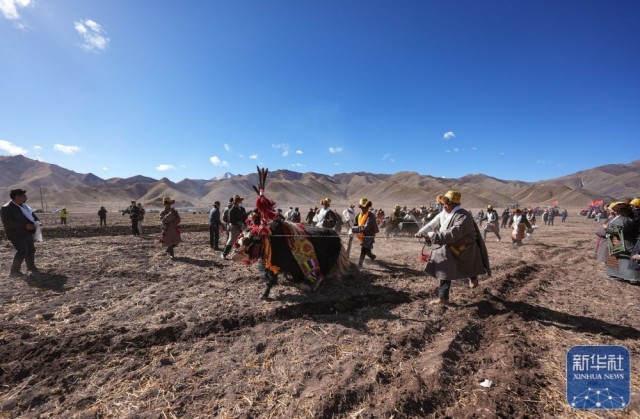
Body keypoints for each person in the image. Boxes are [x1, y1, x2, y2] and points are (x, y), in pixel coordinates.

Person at [415, 191, 490, 305]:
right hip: (449, 246)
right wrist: (421, 232)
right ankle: (443, 298)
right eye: (443, 203)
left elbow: (453, 233)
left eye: (447, 203)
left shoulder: (463, 216)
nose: (444, 206)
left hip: (465, 248)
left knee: (466, 265)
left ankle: (473, 278)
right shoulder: (443, 213)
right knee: (445, 269)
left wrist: (433, 236)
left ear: (454, 204)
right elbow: (432, 224)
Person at [1, 189, 41, 277]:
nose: (26, 198)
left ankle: (31, 267)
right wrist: (25, 225)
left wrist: (37, 222)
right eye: (24, 196)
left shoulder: (25, 207)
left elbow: (33, 217)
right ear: (17, 197)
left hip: (27, 233)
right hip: (15, 234)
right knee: (22, 251)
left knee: (31, 250)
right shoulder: (6, 208)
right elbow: (8, 223)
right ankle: (14, 271)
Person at [603, 202, 639, 283]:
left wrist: (607, 228)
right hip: (621, 242)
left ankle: (623, 276)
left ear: (618, 210)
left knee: (623, 259)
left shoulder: (622, 219)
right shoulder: (626, 218)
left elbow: (619, 231)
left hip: (622, 243)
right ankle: (619, 275)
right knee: (618, 259)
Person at [350, 198, 378, 269]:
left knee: (364, 249)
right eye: (362, 207)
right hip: (361, 235)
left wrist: (353, 229)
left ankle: (360, 264)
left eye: (365, 207)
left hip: (369, 235)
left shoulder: (371, 216)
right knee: (366, 249)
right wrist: (352, 229)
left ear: (368, 207)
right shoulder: (359, 215)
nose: (364, 209)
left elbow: (366, 227)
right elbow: (355, 224)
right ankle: (372, 256)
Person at [222, 195, 247, 260]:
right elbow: (231, 220)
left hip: (241, 226)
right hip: (234, 227)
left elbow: (243, 217)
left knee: (240, 240)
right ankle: (224, 254)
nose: (240, 202)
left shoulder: (241, 209)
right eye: (238, 201)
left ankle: (237, 254)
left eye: (240, 201)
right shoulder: (232, 210)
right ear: (235, 202)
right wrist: (238, 224)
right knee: (231, 240)